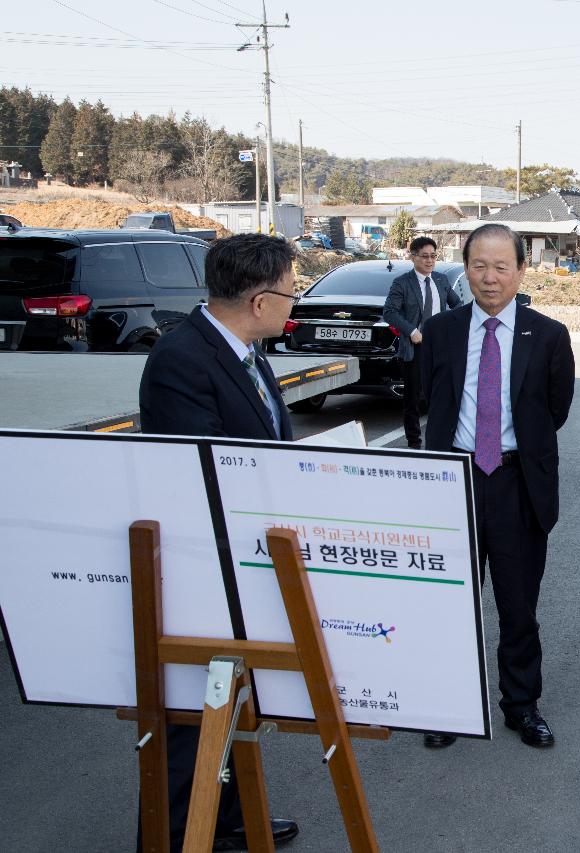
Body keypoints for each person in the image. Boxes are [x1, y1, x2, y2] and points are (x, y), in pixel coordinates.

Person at [138, 233, 300, 851]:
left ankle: (229, 821)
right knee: (191, 717)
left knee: (231, 707)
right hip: (202, 570)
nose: (295, 304)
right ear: (260, 300)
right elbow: (199, 474)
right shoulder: (184, 358)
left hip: (245, 562)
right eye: (290, 292)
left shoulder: (246, 350)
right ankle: (180, 837)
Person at [418, 223, 575, 748]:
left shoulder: (548, 335)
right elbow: (426, 400)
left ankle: (522, 704)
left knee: (517, 604)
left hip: (516, 484)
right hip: (453, 481)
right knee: (450, 603)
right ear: (465, 269)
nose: (489, 278)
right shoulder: (441, 331)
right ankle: (447, 707)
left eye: (501, 266)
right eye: (479, 266)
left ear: (521, 271)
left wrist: (512, 449)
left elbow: (555, 410)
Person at [384, 235, 462, 449]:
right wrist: (410, 331)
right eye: (425, 256)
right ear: (413, 257)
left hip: (441, 348)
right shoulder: (402, 283)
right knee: (413, 400)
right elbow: (389, 312)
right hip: (415, 348)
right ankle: (414, 444)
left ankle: (441, 441)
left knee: (442, 396)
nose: (429, 261)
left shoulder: (441, 280)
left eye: (433, 256)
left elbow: (458, 306)